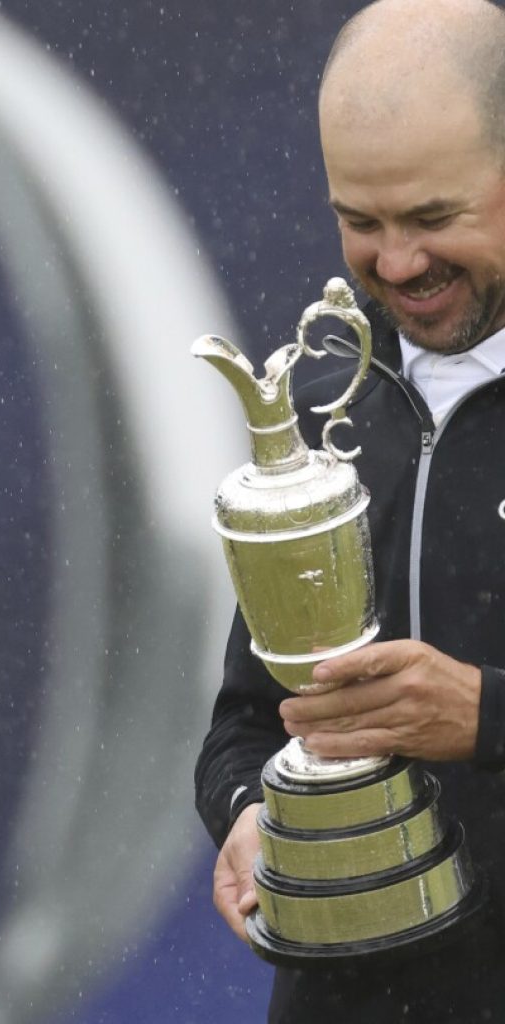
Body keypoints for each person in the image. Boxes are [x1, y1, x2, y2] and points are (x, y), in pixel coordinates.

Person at [194, 0, 505, 1019]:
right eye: (359, 222)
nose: (397, 265)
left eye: (432, 218)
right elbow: (249, 719)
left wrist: (485, 715)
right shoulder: (334, 388)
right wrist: (247, 815)